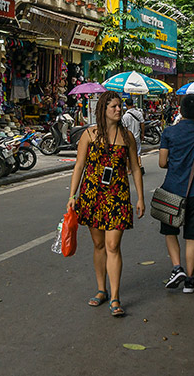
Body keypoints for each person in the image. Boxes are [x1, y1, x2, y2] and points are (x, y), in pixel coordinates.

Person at [66, 91, 146, 317]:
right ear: (103, 110)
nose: (119, 110)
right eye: (114, 106)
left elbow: (136, 168)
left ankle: (115, 297)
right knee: (99, 245)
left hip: (118, 197)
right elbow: (79, 166)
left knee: (113, 246)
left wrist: (140, 197)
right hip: (92, 196)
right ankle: (101, 290)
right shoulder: (89, 135)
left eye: (120, 106)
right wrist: (72, 196)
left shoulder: (127, 136)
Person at [157, 94, 194, 294]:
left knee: (170, 232)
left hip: (171, 189)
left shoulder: (169, 133)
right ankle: (189, 280)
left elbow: (162, 163)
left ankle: (176, 267)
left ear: (180, 110)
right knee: (191, 236)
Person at [121, 98, 145, 162]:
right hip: (137, 136)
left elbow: (124, 128)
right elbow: (142, 124)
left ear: (126, 105)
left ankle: (129, 170)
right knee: (138, 153)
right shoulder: (139, 113)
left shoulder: (125, 116)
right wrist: (142, 133)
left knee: (129, 154)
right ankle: (140, 165)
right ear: (133, 104)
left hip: (129, 137)